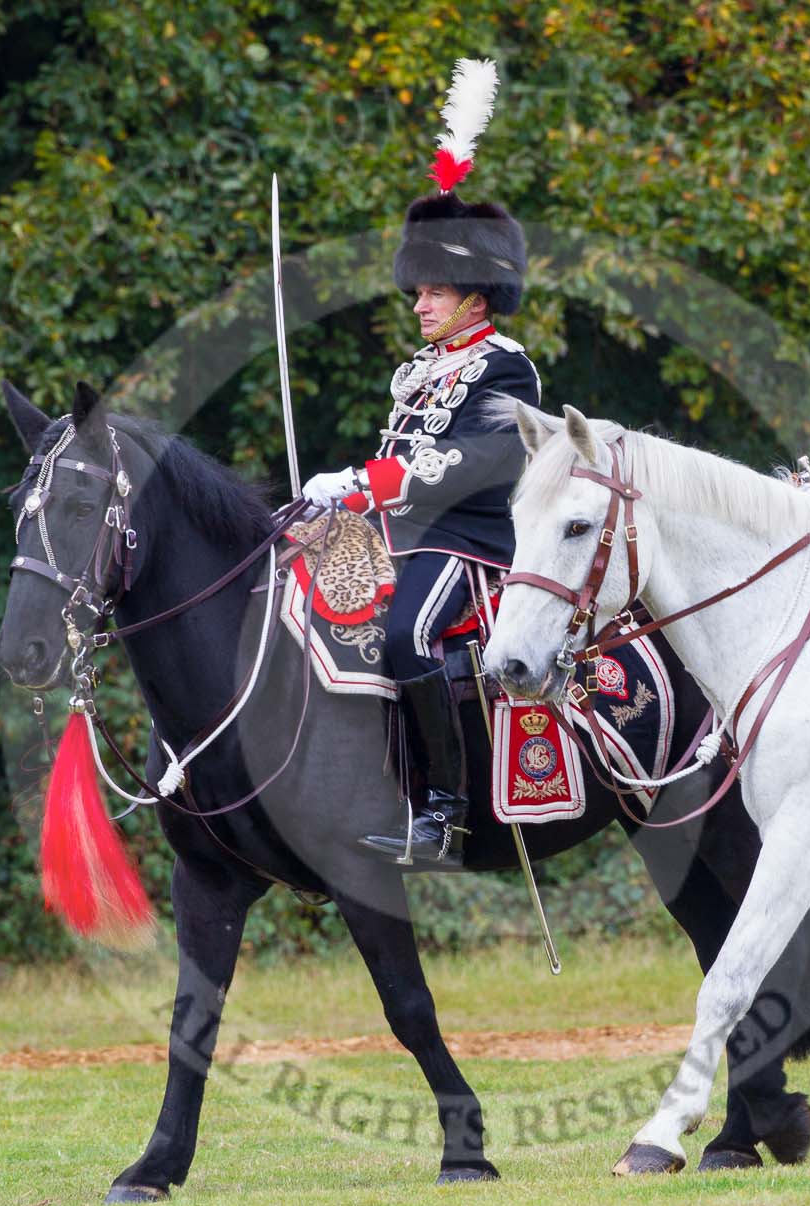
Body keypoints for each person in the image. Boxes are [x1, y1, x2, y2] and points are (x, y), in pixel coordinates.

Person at [301, 61, 540, 866]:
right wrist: (337, 497)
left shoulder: (507, 367)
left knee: (407, 637)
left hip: (466, 542)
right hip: (393, 534)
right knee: (299, 603)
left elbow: (476, 462)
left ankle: (444, 813)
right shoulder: (416, 369)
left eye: (435, 291)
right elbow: (394, 454)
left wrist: (367, 485)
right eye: (419, 291)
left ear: (476, 293)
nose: (420, 303)